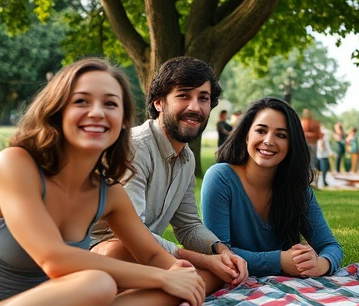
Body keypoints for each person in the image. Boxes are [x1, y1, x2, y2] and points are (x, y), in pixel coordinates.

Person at [0, 57, 207, 306]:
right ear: (58, 111)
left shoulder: (108, 192)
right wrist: (161, 277)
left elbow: (152, 257)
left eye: (110, 104)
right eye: (82, 101)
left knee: (174, 287)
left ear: (123, 121)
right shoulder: (15, 164)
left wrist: (175, 274)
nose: (97, 112)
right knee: (98, 284)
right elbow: (54, 259)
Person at [92, 57, 247, 291]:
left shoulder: (187, 159)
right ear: (159, 103)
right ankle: (175, 289)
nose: (195, 107)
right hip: (101, 251)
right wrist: (204, 261)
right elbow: (131, 233)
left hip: (149, 258)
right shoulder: (134, 147)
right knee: (117, 251)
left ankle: (169, 291)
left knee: (220, 275)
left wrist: (221, 251)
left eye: (203, 98)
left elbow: (188, 226)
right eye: (183, 95)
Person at [201, 97, 343, 278]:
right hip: (233, 286)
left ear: (291, 145)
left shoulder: (297, 189)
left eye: (281, 135)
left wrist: (320, 264)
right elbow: (219, 254)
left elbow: (331, 246)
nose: (268, 141)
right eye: (261, 131)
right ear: (246, 135)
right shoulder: (220, 178)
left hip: (286, 294)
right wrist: (280, 261)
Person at [300, 108, 321, 186]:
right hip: (306, 144)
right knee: (306, 163)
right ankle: (307, 182)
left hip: (311, 144)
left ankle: (313, 182)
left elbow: (319, 134)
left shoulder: (314, 123)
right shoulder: (302, 122)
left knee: (312, 163)